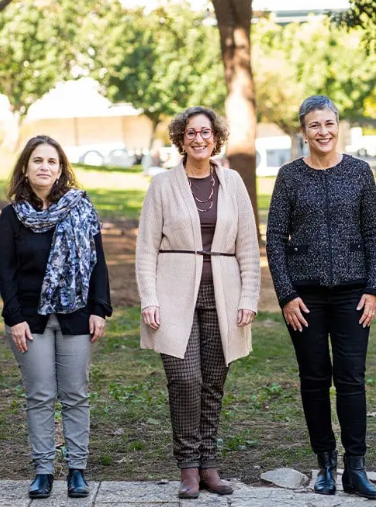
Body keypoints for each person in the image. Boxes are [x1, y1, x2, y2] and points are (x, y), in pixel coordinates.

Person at [136, 106, 260, 499]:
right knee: (185, 379)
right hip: (174, 296)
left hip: (223, 294)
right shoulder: (162, 184)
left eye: (206, 132)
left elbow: (248, 246)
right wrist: (149, 299)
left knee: (213, 383)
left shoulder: (233, 182)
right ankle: (188, 466)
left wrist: (248, 297)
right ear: (181, 139)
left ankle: (210, 465)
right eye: (191, 133)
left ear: (216, 138)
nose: (199, 138)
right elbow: (145, 249)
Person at [266, 95, 376, 500]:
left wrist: (374, 290)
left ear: (339, 126)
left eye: (329, 123)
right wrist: (286, 295)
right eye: (314, 125)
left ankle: (356, 467)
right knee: (314, 379)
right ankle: (325, 464)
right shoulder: (289, 177)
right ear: (303, 131)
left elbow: (374, 234)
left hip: (353, 294)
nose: (323, 132)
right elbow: (274, 240)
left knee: (351, 378)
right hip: (305, 297)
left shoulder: (359, 172)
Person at [0, 135, 111, 499]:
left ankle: (77, 469)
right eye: (38, 161)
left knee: (75, 393)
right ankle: (43, 470)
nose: (45, 167)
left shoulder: (81, 208)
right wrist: (14, 318)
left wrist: (100, 309)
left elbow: (98, 263)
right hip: (30, 319)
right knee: (40, 395)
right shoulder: (12, 216)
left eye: (52, 162)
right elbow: (6, 273)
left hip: (77, 315)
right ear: (25, 169)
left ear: (61, 170)